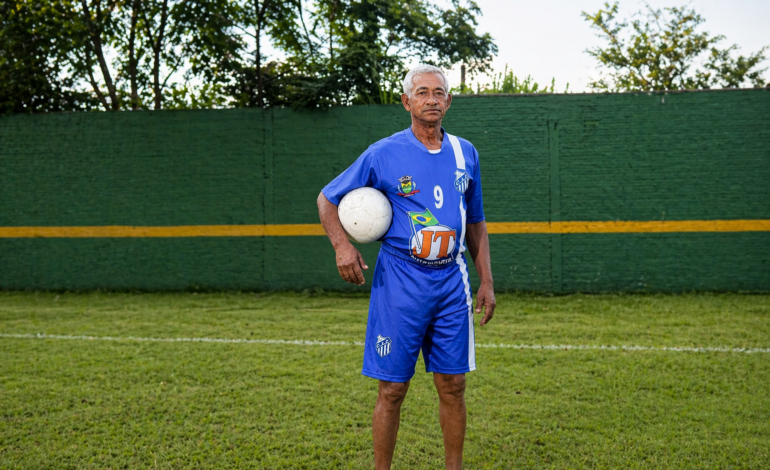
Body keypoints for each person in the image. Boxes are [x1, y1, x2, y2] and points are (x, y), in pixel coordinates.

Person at [316, 64, 495, 470]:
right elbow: (327, 200)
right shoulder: (383, 153)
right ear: (406, 101)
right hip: (400, 282)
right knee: (393, 388)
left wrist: (486, 280)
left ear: (448, 101)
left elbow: (477, 221)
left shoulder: (465, 153)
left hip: (451, 280)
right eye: (422, 93)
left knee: (453, 385)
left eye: (439, 93)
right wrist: (342, 247)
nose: (431, 99)